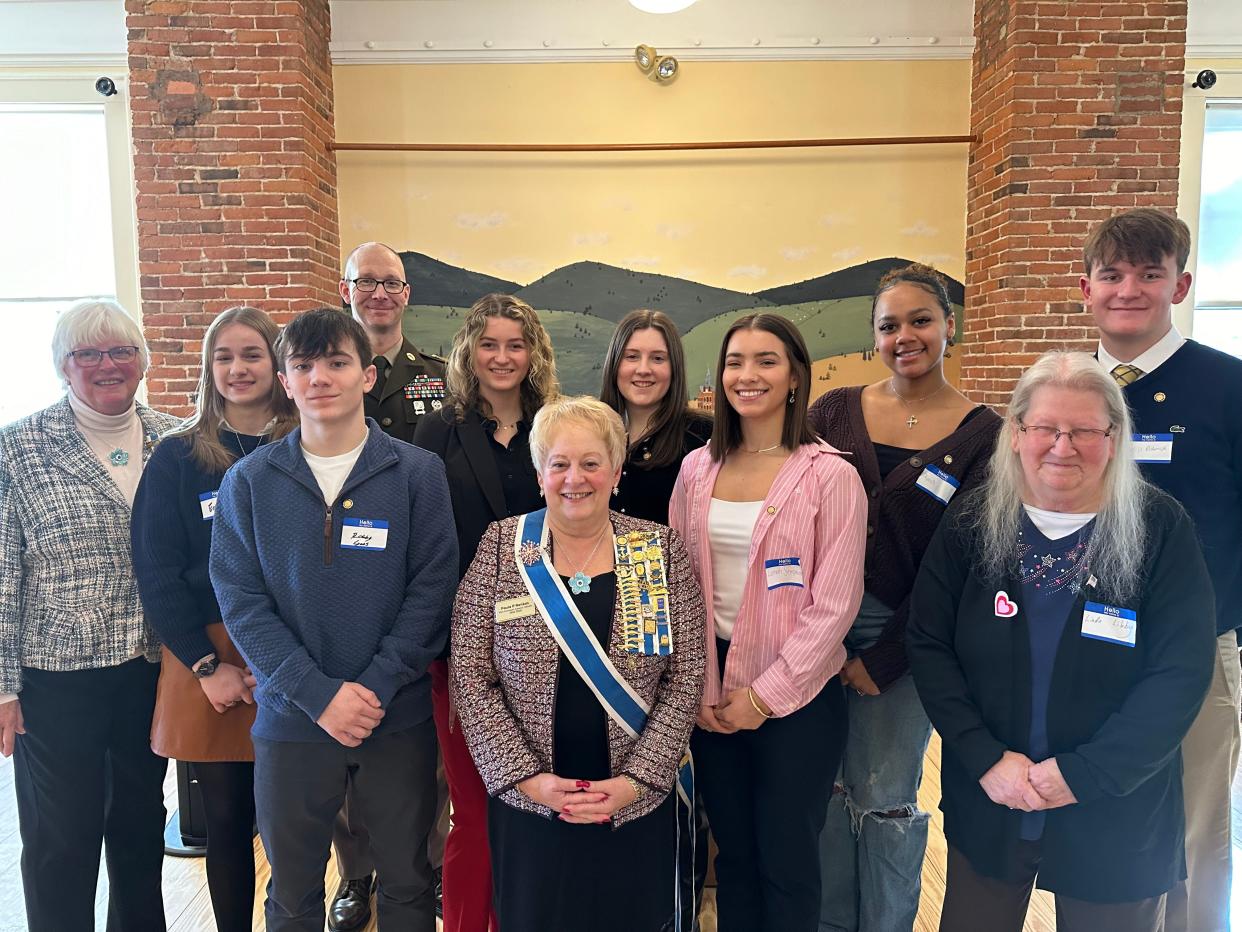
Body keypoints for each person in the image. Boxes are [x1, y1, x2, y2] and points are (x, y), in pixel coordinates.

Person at [908, 350, 1216, 932]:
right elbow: (929, 644)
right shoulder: (974, 522)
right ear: (1018, 433)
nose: (1062, 445)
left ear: (1115, 436)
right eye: (1046, 427)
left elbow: (1180, 671)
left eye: (1084, 431)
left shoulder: (1159, 527)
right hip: (992, 798)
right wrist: (985, 757)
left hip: (1116, 810)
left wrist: (1087, 774)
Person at [209, 307, 458, 931]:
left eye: (338, 363)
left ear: (368, 376)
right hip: (292, 719)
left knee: (407, 883)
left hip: (393, 716)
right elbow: (239, 599)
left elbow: (432, 590)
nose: (321, 377)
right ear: (286, 382)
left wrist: (372, 686)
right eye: (303, 365)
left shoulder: (417, 473)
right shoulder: (250, 481)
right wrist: (317, 695)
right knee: (292, 893)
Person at [451, 396, 706, 932]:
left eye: (591, 463)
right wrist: (526, 780)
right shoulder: (502, 547)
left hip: (633, 801)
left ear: (615, 472)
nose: (575, 478)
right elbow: (472, 676)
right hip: (534, 803)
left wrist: (640, 780)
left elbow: (685, 675)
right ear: (540, 471)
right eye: (560, 463)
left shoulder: (655, 549)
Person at [809, 264, 1001, 932]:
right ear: (874, 337)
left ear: (951, 325)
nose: (905, 336)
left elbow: (965, 566)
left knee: (885, 798)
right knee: (829, 793)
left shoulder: (984, 435)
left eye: (921, 320)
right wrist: (811, 638)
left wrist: (888, 658)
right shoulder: (831, 412)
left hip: (910, 634)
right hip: (816, 627)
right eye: (889, 325)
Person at [669, 313, 868, 932]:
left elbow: (835, 606)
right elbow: (677, 584)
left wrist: (766, 696)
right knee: (736, 859)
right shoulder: (697, 470)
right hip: (714, 697)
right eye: (735, 362)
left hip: (798, 702)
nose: (747, 375)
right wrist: (700, 690)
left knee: (788, 862)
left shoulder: (830, 475)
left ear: (794, 377)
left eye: (766, 361)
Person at [1082, 207, 1242, 932]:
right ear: (1083, 286)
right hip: (1084, 646)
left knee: (1195, 828)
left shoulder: (1227, 387)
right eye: (1112, 274)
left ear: (1179, 285)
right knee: (1099, 819)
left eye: (1149, 274)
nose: (1128, 290)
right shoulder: (1064, 390)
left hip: (1194, 650)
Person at [0, 299, 178, 930]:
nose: (108, 365)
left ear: (143, 361)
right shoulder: (17, 448)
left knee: (138, 830)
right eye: (88, 354)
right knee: (61, 838)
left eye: (122, 351)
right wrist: (2, 688)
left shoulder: (178, 441)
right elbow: (2, 577)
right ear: (62, 366)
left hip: (153, 672)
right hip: (55, 681)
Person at [132, 306, 297, 932]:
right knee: (225, 822)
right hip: (212, 659)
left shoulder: (307, 445)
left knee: (293, 820)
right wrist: (206, 666)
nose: (237, 368)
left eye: (251, 354)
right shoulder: (177, 458)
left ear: (276, 362)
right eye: (223, 357)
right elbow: (157, 569)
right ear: (208, 369)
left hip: (294, 654)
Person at [413, 293, 558, 932]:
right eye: (490, 344)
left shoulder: (557, 424)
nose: (502, 357)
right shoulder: (438, 430)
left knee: (537, 799)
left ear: (535, 354)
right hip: (464, 644)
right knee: (473, 806)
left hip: (552, 640)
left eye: (516, 344)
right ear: (469, 351)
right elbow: (425, 538)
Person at [336, 239, 450, 928]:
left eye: (392, 283)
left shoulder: (440, 378)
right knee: (339, 753)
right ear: (344, 288)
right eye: (366, 282)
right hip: (337, 595)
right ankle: (355, 876)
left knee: (421, 749)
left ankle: (425, 866)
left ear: (407, 294)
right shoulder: (321, 369)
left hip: (415, 592)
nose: (379, 293)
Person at [601, 309, 711, 524]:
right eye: (631, 357)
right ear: (614, 364)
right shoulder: (591, 433)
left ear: (674, 368)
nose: (643, 369)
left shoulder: (704, 437)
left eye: (658, 358)